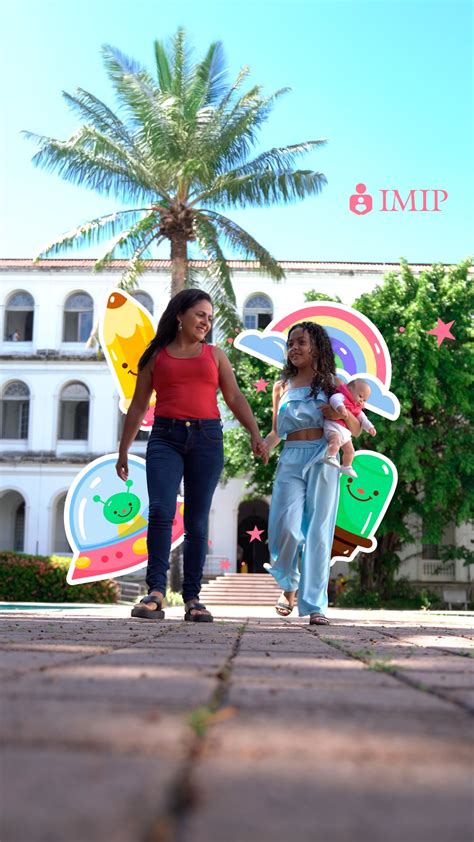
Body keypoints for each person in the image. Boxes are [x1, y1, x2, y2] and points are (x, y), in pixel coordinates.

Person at [116, 289, 266, 622]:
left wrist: (255, 434)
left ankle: (193, 598)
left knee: (197, 521)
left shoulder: (215, 355)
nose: (206, 322)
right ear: (180, 315)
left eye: (210, 318)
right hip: (164, 438)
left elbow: (235, 397)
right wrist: (123, 449)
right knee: (160, 511)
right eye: (200, 314)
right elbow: (138, 406)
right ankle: (156, 592)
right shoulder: (156, 356)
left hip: (207, 440)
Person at [262, 322, 361, 625]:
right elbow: (276, 432)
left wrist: (341, 413)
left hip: (324, 456)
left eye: (301, 342)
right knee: (286, 526)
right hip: (290, 457)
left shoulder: (332, 383)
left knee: (319, 532)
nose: (294, 348)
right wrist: (262, 445)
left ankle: (315, 605)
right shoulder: (281, 386)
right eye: (290, 343)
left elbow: (355, 428)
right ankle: (289, 584)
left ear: (316, 347)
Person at [324, 378, 377, 478]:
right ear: (350, 389)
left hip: (345, 432)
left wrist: (370, 427)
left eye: (364, 400)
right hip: (333, 427)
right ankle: (330, 455)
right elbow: (334, 399)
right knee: (335, 441)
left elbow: (363, 419)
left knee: (350, 451)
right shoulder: (342, 396)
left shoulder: (356, 408)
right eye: (360, 396)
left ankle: (346, 466)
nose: (361, 400)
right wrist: (340, 408)